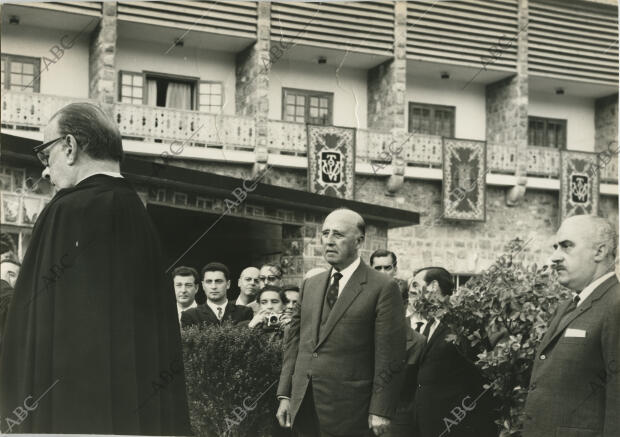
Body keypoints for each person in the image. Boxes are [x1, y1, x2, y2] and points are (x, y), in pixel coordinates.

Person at [0, 102, 191, 435]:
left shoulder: (66, 210)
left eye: (46, 155)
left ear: (70, 147)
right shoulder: (137, 211)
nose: (46, 171)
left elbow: (34, 328)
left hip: (72, 414)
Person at [276, 208, 406, 437]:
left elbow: (390, 354)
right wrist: (285, 394)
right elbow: (294, 342)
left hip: (351, 411)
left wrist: (381, 409)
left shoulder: (382, 287)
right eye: (325, 233)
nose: (329, 241)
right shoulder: (311, 284)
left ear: (359, 241)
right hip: (305, 404)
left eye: (338, 235)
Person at [523, 215, 619, 437]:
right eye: (556, 247)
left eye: (567, 246)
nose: (554, 257)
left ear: (600, 252)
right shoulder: (568, 306)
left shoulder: (615, 304)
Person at [411, 267, 496, 437]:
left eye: (416, 284)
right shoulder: (429, 324)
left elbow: (482, 375)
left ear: (433, 286)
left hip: (455, 424)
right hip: (427, 422)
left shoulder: (464, 323)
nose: (412, 290)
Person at [181, 262, 253, 328]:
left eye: (218, 281)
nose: (214, 287)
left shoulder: (245, 312)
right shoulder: (190, 315)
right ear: (203, 285)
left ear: (228, 284)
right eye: (209, 282)